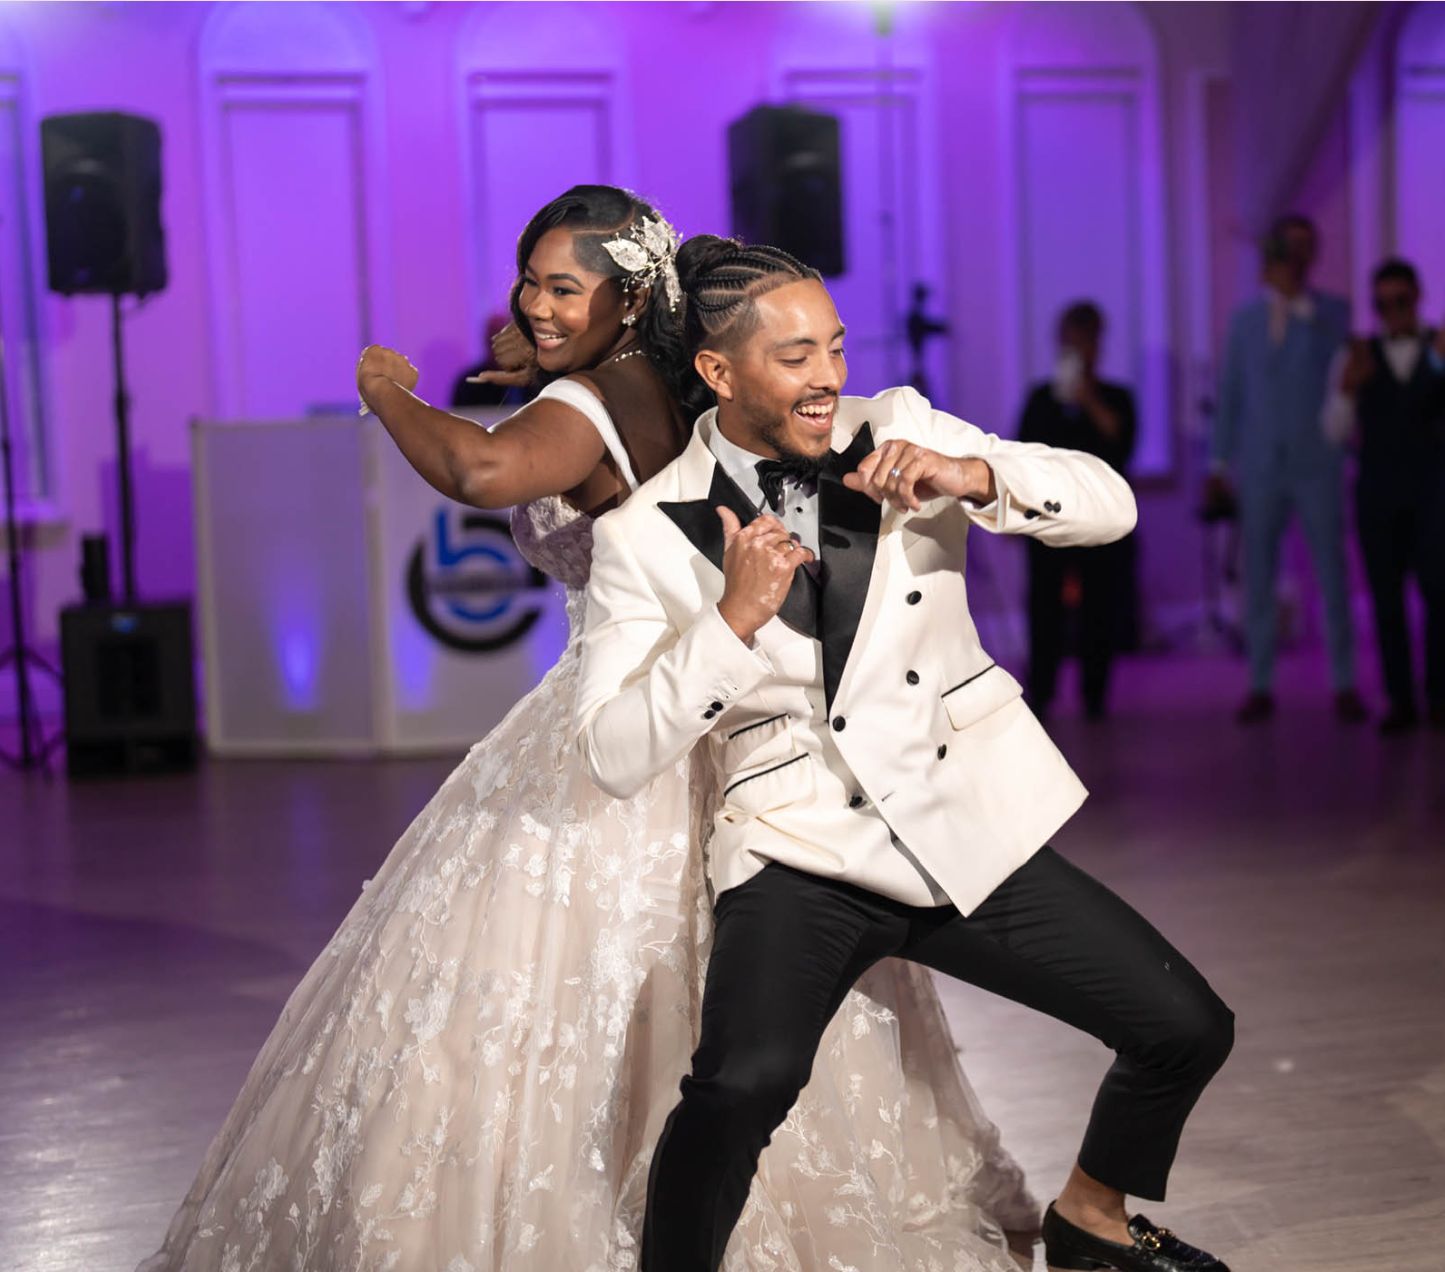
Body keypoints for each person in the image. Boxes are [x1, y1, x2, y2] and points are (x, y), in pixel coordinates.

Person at [138, 187, 1036, 1272]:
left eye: (562, 286)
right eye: (527, 282)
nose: (531, 304)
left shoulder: (600, 402)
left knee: (550, 1005)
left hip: (629, 723)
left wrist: (382, 388)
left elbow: (478, 470)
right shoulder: (669, 377)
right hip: (727, 720)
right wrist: (553, 360)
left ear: (630, 292)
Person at [576, 236, 1235, 1272]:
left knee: (1185, 1026)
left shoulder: (900, 427)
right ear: (718, 372)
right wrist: (729, 626)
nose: (828, 375)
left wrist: (974, 476)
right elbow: (611, 751)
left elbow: (1110, 502)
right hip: (797, 855)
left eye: (833, 346)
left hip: (955, 824)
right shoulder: (644, 539)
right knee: (739, 1085)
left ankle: (1091, 1221)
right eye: (793, 357)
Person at [1209, 213, 1366, 725]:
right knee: (1258, 574)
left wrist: (1301, 307)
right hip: (1259, 466)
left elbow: (1346, 378)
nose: (1293, 256)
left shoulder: (1332, 313)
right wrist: (1219, 461)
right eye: (1285, 247)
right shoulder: (1245, 320)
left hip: (1317, 463)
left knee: (1331, 570)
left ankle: (1343, 680)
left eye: (1303, 246)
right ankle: (1260, 682)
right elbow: (1230, 393)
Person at [1332, 258, 1445, 733]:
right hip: (1377, 492)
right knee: (1385, 598)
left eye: (1400, 301)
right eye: (1382, 304)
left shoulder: (1438, 348)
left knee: (1440, 593)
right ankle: (1399, 699)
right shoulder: (1359, 353)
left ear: (1417, 298)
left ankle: (1439, 696)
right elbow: (1334, 431)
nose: (1391, 312)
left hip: (1433, 489)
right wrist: (1347, 390)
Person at [1018, 301, 1137, 719]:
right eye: (1070, 342)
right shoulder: (1040, 400)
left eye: (1084, 342)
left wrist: (1088, 399)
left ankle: (1095, 695)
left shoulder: (1117, 398)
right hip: (1048, 520)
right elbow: (1020, 457)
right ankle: (1043, 692)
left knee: (1100, 609)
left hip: (1099, 521)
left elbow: (1123, 447)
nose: (1077, 350)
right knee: (1044, 607)